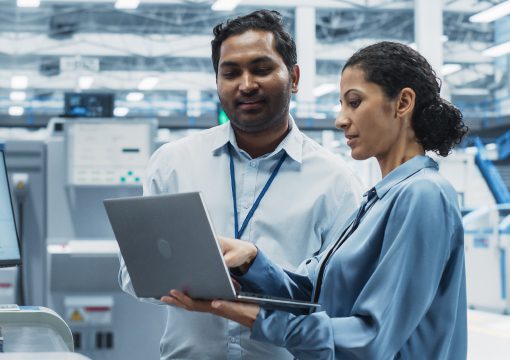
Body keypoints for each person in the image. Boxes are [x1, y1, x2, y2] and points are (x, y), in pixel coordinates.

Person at [163, 41, 469, 359]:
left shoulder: (423, 196)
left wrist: (251, 316)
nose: (340, 119)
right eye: (342, 104)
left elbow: (371, 338)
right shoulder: (376, 202)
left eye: (354, 102)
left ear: (402, 103)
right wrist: (251, 261)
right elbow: (317, 293)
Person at [119, 9, 362, 360]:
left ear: (294, 77)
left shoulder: (336, 182)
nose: (246, 84)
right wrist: (185, 282)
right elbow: (132, 271)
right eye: (230, 73)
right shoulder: (173, 163)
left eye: (261, 69)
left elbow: (342, 300)